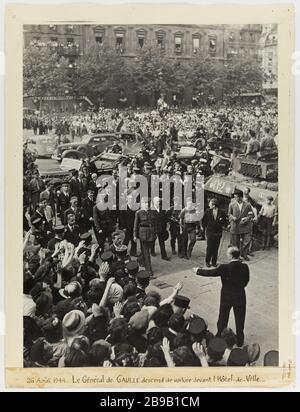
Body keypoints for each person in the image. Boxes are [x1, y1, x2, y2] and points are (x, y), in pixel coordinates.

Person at [194, 246, 249, 347]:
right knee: (240, 319)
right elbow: (246, 281)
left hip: (226, 297)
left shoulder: (224, 267)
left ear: (230, 255)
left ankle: (220, 337)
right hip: (240, 296)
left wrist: (198, 270)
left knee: (223, 318)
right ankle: (240, 340)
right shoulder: (245, 266)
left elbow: (211, 272)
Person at [134, 197, 157, 277]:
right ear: (141, 204)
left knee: (146, 251)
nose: (147, 204)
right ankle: (148, 270)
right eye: (145, 203)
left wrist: (155, 233)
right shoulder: (138, 213)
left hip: (151, 234)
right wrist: (134, 235)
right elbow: (136, 225)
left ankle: (140, 259)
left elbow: (154, 223)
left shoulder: (152, 212)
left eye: (148, 203)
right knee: (146, 253)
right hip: (143, 234)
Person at [228, 189, 252, 261]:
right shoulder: (232, 204)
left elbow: (250, 214)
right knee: (236, 242)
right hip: (235, 225)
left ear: (241, 197)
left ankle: (244, 254)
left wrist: (246, 219)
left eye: (237, 197)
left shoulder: (248, 205)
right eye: (234, 197)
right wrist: (232, 217)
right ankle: (237, 256)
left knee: (247, 240)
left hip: (245, 225)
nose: (235, 199)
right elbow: (229, 214)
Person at [202, 198, 227, 267]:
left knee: (216, 248)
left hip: (218, 233)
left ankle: (214, 262)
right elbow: (203, 221)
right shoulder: (208, 211)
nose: (209, 204)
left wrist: (224, 225)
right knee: (209, 247)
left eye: (210, 203)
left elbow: (225, 221)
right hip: (210, 232)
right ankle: (207, 261)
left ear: (214, 205)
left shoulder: (222, 212)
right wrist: (204, 228)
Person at [151, 197, 169, 261]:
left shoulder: (162, 209)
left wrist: (165, 227)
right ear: (153, 202)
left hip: (161, 228)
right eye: (157, 202)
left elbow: (164, 218)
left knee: (161, 242)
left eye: (159, 201)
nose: (158, 203)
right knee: (153, 240)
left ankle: (164, 256)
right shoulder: (151, 210)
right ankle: (152, 251)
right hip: (154, 228)